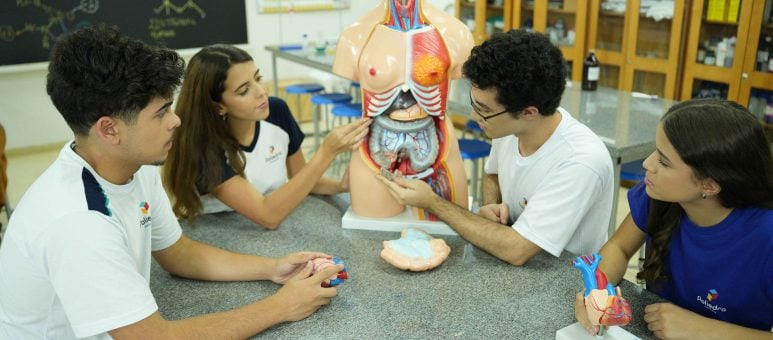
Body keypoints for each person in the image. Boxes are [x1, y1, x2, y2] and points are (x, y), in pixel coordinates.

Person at [0, 25, 342, 339]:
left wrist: (272, 269)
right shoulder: (78, 223)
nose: (176, 120)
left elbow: (178, 253)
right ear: (109, 130)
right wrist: (281, 306)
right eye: (161, 112)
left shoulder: (136, 165)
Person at [377, 29, 614, 266]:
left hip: (563, 280)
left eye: (484, 109)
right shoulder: (508, 127)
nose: (473, 114)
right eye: (475, 104)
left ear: (529, 112)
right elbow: (494, 173)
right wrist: (491, 204)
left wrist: (432, 202)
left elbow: (517, 250)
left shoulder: (581, 161)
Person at [575, 99, 773, 339]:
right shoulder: (660, 193)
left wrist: (703, 330)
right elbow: (619, 246)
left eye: (663, 161)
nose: (647, 164)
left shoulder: (765, 235)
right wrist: (596, 291)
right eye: (655, 150)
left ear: (709, 185)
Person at [163, 44, 371, 229]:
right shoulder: (202, 146)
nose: (261, 91)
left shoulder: (276, 111)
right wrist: (327, 152)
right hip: (221, 232)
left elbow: (303, 179)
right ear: (218, 106)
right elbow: (267, 216)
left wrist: (340, 186)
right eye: (244, 90)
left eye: (258, 78)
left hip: (274, 225)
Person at [332, 0, 473, 220]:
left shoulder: (456, 33)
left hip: (436, 142)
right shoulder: (355, 36)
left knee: (449, 234)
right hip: (375, 147)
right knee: (372, 238)